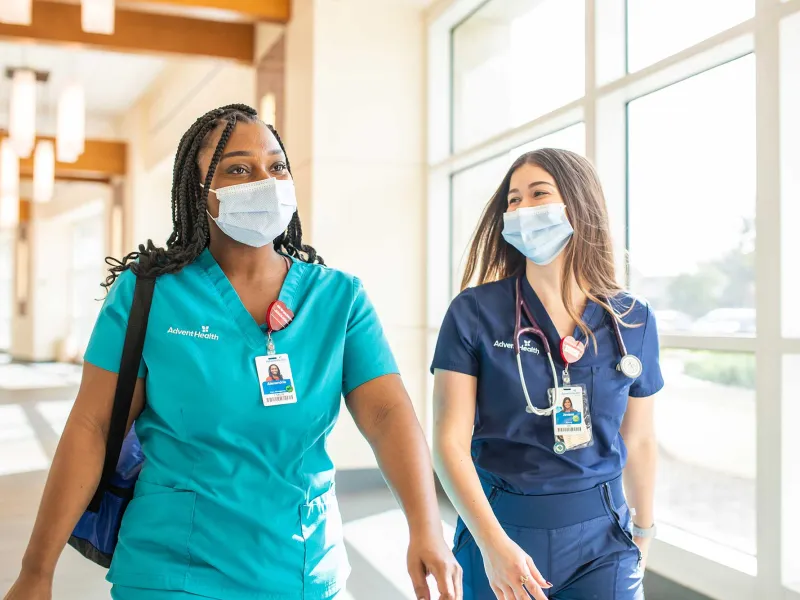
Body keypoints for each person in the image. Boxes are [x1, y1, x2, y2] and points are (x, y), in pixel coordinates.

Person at [4, 104, 460, 600]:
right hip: (172, 574)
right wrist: (35, 571)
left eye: (276, 165)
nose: (264, 180)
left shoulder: (338, 298)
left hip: (306, 574)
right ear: (200, 192)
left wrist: (425, 524)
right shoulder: (148, 294)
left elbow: (389, 413)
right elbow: (91, 427)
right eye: (238, 168)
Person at [431, 149, 663, 600]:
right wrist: (492, 545)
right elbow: (448, 442)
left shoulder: (633, 318)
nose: (522, 209)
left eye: (539, 194)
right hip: (502, 527)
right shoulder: (474, 313)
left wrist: (645, 529)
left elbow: (639, 440)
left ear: (580, 204)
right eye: (513, 200)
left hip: (604, 538)